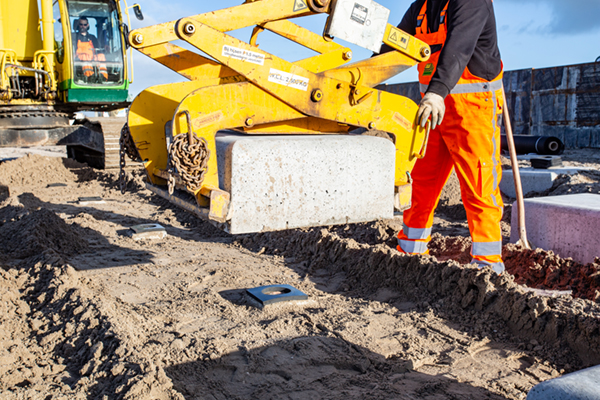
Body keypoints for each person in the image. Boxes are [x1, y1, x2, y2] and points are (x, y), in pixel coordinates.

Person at [385, 0, 505, 274]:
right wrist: (363, 75)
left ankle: (488, 267)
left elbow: (459, 47)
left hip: (471, 108)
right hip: (434, 107)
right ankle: (411, 251)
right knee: (420, 181)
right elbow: (396, 45)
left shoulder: (472, 2)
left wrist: (437, 92)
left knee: (478, 185)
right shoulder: (422, 8)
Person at [73, 17, 108, 81]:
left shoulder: (92, 37)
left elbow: (98, 49)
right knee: (85, 56)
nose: (83, 26)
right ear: (78, 25)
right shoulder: (73, 37)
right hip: (79, 58)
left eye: (85, 25)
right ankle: (89, 76)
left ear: (88, 25)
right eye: (81, 24)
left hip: (92, 58)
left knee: (101, 56)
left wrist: (104, 49)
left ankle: (103, 76)